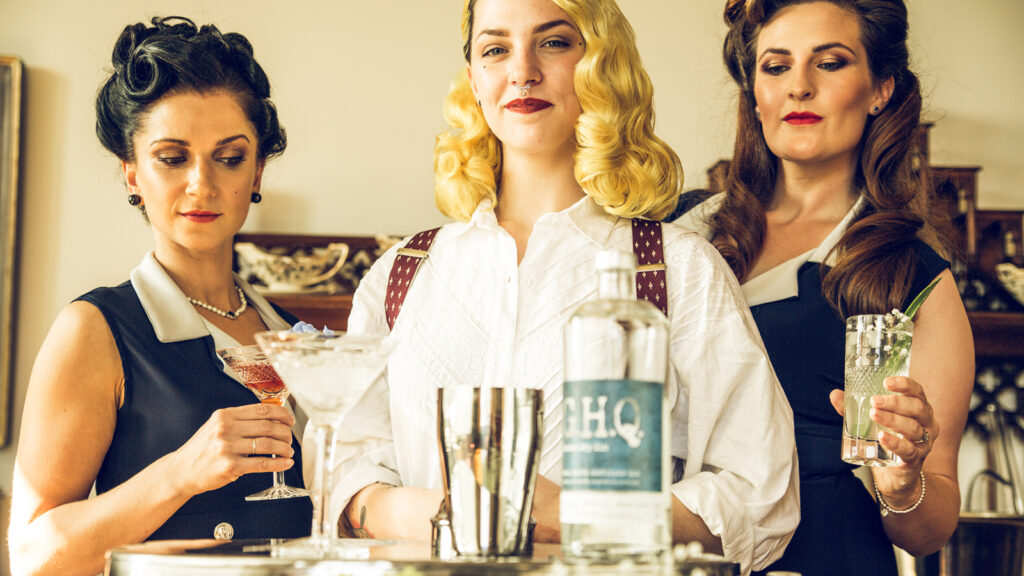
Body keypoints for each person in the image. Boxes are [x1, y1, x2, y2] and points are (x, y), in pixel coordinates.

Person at [332, 0, 799, 573]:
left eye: (553, 43)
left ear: (602, 65)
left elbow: (760, 495)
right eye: (495, 49)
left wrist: (575, 517)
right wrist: (434, 514)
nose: (521, 71)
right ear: (474, 80)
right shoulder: (400, 275)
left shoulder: (678, 269)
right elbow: (346, 472)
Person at [673, 1, 974, 574]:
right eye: (776, 67)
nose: (799, 87)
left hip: (826, 555)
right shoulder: (680, 230)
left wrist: (902, 479)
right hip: (672, 552)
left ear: (880, 89)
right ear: (754, 93)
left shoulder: (909, 276)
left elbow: (929, 530)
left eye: (830, 63)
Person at [9, 17, 312, 576]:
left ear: (257, 172)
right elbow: (33, 556)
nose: (202, 184)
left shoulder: (295, 334)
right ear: (132, 174)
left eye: (230, 157)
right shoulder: (96, 329)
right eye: (172, 158)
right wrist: (182, 471)